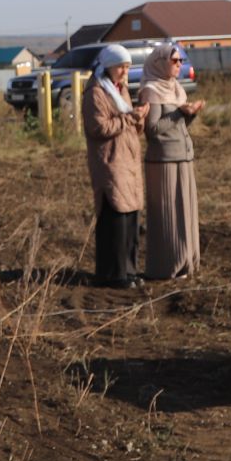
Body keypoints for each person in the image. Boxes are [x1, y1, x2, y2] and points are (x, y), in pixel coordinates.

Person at [84, 43, 150, 288]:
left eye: (127, 67)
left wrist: (138, 118)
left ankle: (129, 270)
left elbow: (126, 122)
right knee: (115, 217)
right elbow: (99, 127)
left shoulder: (118, 89)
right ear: (109, 66)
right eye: (121, 67)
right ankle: (112, 274)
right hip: (110, 161)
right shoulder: (96, 93)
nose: (125, 72)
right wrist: (131, 117)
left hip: (127, 160)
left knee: (131, 217)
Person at [137, 42, 205, 281]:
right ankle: (167, 265)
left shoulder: (177, 89)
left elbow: (179, 127)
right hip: (163, 160)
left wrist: (190, 115)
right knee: (168, 214)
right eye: (174, 61)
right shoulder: (151, 91)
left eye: (181, 61)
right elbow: (153, 130)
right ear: (160, 63)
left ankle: (187, 261)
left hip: (183, 155)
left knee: (185, 210)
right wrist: (179, 113)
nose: (179, 65)